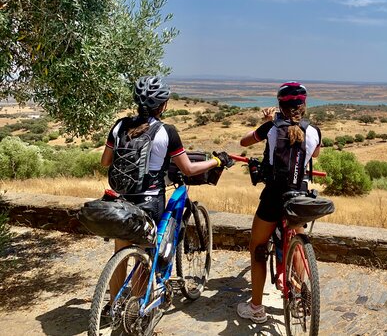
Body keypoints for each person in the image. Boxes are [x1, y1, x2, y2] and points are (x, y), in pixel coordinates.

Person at [100, 75, 231, 300]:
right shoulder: (166, 131)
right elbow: (188, 169)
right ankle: (137, 312)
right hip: (150, 202)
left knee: (120, 251)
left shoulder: (120, 125)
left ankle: (115, 305)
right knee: (148, 255)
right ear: (163, 105)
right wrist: (217, 161)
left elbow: (105, 162)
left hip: (122, 201)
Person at [237, 81, 322, 323]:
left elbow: (244, 142)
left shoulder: (272, 129)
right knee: (296, 236)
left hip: (274, 197)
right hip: (299, 197)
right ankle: (298, 295)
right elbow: (314, 153)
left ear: (279, 105)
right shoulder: (314, 131)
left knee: (257, 247)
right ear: (303, 106)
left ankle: (255, 308)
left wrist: (266, 122)